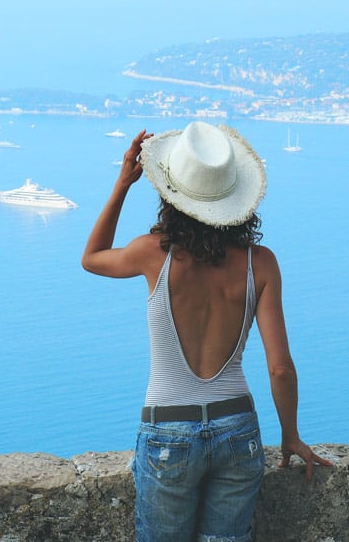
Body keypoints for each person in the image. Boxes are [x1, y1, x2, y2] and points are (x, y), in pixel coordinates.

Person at [81, 122, 330, 542]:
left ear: (172, 196)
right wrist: (290, 434)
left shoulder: (151, 253)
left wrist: (123, 184)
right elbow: (280, 369)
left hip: (168, 432)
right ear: (236, 200)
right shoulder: (261, 263)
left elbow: (91, 257)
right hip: (238, 430)